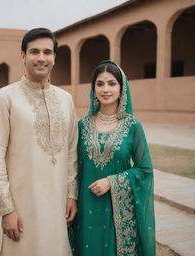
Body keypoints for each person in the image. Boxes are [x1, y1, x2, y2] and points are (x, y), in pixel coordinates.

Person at [0, 28, 78, 256]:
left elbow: (72, 150)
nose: (41, 58)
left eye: (47, 52)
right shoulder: (5, 97)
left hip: (58, 204)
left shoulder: (66, 100)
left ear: (54, 57)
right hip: (23, 207)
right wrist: (6, 209)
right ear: (23, 56)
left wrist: (71, 195)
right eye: (34, 51)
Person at [73, 60, 155, 255]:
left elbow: (145, 170)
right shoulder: (82, 126)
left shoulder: (133, 126)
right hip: (87, 206)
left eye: (112, 83)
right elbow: (73, 167)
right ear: (93, 89)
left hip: (119, 209)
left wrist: (113, 182)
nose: (105, 89)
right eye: (100, 84)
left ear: (122, 87)